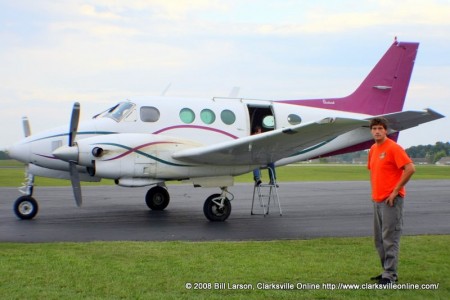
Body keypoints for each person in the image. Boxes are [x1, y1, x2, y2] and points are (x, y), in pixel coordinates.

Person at [367, 117, 415, 284]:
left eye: (380, 128)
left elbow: (410, 168)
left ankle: (390, 275)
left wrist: (395, 191)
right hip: (377, 200)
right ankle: (386, 271)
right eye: (374, 129)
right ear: (371, 131)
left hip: (391, 201)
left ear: (386, 130)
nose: (377, 131)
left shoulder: (394, 148)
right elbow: (375, 173)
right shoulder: (373, 149)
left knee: (390, 237)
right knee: (379, 239)